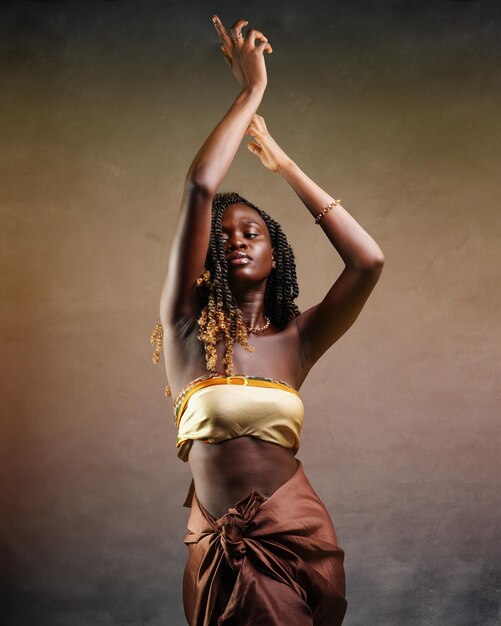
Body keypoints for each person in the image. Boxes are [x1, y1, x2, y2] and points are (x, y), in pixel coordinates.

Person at [150, 14, 384, 626]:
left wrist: (282, 165)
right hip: (216, 548)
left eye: (251, 231)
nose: (235, 240)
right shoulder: (183, 330)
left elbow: (368, 260)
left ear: (274, 251)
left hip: (294, 534)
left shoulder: (298, 340)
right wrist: (250, 92)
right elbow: (202, 185)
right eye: (221, 237)